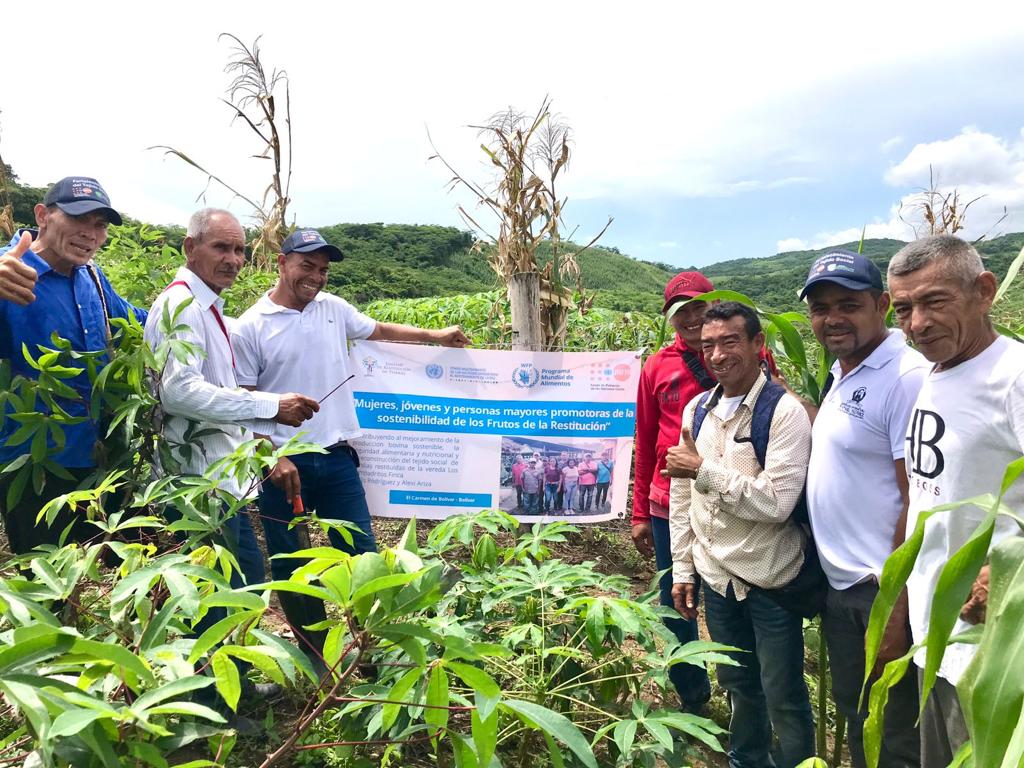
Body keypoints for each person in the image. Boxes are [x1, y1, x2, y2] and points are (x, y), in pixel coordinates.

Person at [231, 227, 468, 667]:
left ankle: (371, 653)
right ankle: (315, 661)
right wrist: (272, 456)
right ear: (281, 263)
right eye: (307, 266)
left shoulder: (333, 310)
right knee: (292, 568)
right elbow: (244, 400)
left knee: (363, 556)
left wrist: (435, 336)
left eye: (322, 270)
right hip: (283, 468)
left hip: (337, 457)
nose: (316, 277)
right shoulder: (250, 327)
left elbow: (377, 329)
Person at [887, 234, 1024, 766]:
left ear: (984, 291)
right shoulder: (935, 374)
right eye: (903, 308)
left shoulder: (1012, 376)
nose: (917, 323)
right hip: (936, 636)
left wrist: (1006, 571)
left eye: (935, 301)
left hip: (993, 651)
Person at [666, 301, 815, 768]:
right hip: (715, 576)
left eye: (730, 341)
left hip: (768, 578)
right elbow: (682, 498)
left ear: (757, 345)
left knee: (783, 690)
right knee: (737, 683)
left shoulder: (784, 413)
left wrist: (703, 471)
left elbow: (776, 503)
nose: (717, 354)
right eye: (708, 344)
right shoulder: (698, 408)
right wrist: (683, 568)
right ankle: (747, 760)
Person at [802, 250, 926, 768]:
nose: (832, 318)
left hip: (880, 591)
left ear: (881, 304)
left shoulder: (904, 376)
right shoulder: (847, 369)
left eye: (848, 305)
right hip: (844, 586)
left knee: (891, 731)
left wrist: (894, 612)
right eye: (821, 307)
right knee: (859, 717)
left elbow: (917, 496)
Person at [0, 176, 147, 553]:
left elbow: (140, 322)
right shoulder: (8, 271)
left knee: (106, 580)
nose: (90, 234)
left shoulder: (93, 279)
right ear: (42, 215)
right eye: (79, 219)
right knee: (43, 584)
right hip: (35, 466)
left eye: (99, 225)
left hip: (100, 459)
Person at [631, 271, 718, 712]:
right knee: (678, 599)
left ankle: (745, 693)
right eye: (680, 311)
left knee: (730, 599)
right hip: (670, 506)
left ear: (715, 305)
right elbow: (645, 441)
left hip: (730, 501)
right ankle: (693, 694)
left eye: (699, 307)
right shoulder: (657, 366)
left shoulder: (748, 354)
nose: (690, 318)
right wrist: (639, 513)